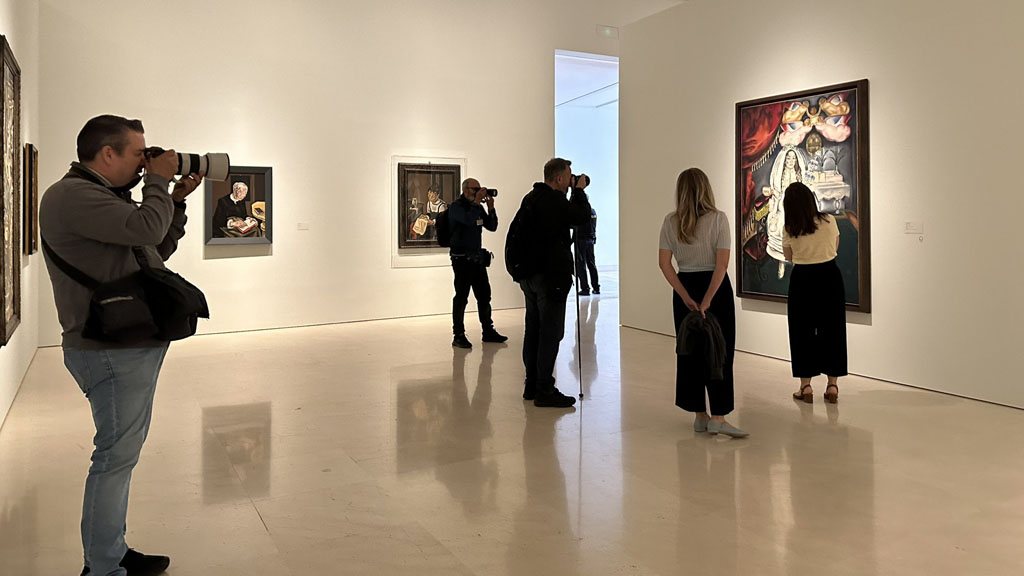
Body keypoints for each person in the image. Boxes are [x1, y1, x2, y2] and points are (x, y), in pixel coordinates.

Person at [39, 115, 204, 576]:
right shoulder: (73, 196)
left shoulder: (101, 197)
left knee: (121, 455)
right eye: (138, 154)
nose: (145, 162)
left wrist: (173, 200)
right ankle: (102, 567)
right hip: (109, 348)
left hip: (126, 341)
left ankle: (111, 551)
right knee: (114, 459)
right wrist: (157, 182)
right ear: (107, 153)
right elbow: (146, 230)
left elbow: (152, 251)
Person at [658, 168, 747, 437]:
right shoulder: (719, 219)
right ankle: (718, 416)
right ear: (706, 188)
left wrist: (685, 296)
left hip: (685, 288)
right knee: (720, 352)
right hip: (715, 290)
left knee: (691, 352)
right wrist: (707, 300)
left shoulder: (671, 221)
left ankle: (699, 415)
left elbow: (664, 264)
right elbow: (722, 265)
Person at [517, 158, 592, 408]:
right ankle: (545, 389)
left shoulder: (532, 198)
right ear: (559, 178)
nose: (571, 180)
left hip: (529, 275)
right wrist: (579, 191)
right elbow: (581, 217)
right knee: (550, 333)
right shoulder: (554, 200)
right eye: (569, 176)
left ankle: (531, 384)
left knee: (533, 330)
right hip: (550, 277)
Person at [783, 182, 847, 404]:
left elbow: (788, 256)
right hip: (830, 277)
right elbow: (835, 246)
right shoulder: (829, 220)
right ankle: (832, 386)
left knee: (801, 332)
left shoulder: (790, 228)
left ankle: (806, 386)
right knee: (833, 331)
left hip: (802, 279)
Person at [448, 177, 507, 348]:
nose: (477, 192)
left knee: (484, 296)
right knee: (461, 298)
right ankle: (458, 335)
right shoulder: (456, 207)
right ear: (465, 189)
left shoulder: (478, 208)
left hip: (477, 259)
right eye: (475, 189)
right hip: (461, 260)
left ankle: (488, 330)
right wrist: (476, 203)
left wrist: (491, 208)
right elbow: (468, 220)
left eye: (479, 189)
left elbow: (492, 226)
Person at [574, 205, 600, 295]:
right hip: (591, 240)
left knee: (581, 265)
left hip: (581, 240)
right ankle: (596, 287)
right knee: (591, 264)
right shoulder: (593, 211)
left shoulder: (581, 213)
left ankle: (585, 288)